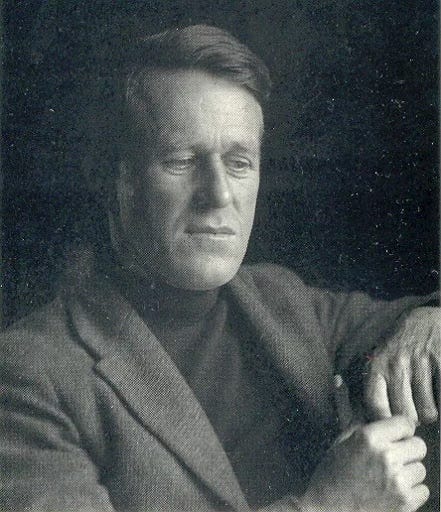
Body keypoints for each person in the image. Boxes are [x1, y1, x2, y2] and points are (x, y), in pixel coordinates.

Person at [0, 25, 438, 512]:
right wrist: (327, 506)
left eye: (239, 162)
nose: (219, 194)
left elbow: (424, 320)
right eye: (181, 160)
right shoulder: (30, 373)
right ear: (114, 180)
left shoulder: (282, 299)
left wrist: (426, 323)